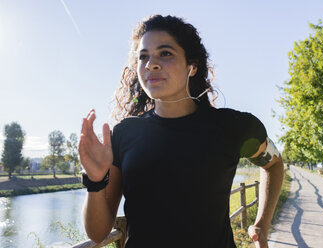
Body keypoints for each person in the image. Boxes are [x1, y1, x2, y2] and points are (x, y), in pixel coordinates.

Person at [79, 15, 284, 248]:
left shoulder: (232, 127)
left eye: (165, 53)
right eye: (143, 57)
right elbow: (98, 233)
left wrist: (261, 224)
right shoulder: (125, 135)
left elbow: (274, 164)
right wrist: (95, 182)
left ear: (192, 66)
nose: (151, 64)